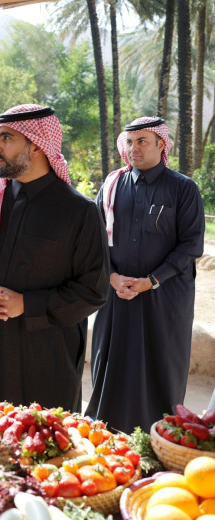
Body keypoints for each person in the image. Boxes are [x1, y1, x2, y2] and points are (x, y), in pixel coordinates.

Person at [0, 104, 109, 416]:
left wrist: (27, 304)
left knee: (40, 451)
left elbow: (93, 290)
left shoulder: (78, 211)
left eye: (5, 138)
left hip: (43, 355)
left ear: (37, 146)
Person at [86, 117, 205, 433]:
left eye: (142, 141)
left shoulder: (183, 189)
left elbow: (191, 245)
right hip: (117, 293)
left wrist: (151, 280)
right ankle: (107, 434)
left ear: (161, 144)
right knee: (112, 363)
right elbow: (93, 240)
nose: (133, 147)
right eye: (129, 141)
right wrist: (111, 276)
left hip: (165, 296)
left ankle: (159, 435)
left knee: (161, 365)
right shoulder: (112, 187)